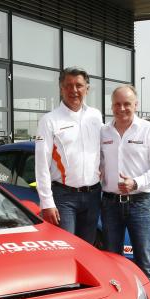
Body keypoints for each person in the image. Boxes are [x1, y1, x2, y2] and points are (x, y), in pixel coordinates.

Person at [100, 85, 150, 287]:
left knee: (145, 263)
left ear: (136, 105)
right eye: (117, 104)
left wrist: (135, 182)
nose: (122, 109)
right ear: (112, 106)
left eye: (127, 104)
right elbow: (99, 162)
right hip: (110, 204)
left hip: (139, 204)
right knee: (112, 261)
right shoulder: (104, 131)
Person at [34, 67, 103, 244]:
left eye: (79, 85)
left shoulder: (95, 116)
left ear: (87, 88)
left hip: (93, 195)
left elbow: (102, 152)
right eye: (68, 85)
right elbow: (41, 164)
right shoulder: (49, 120)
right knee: (66, 247)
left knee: (87, 247)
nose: (74, 90)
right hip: (64, 198)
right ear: (61, 88)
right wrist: (47, 202)